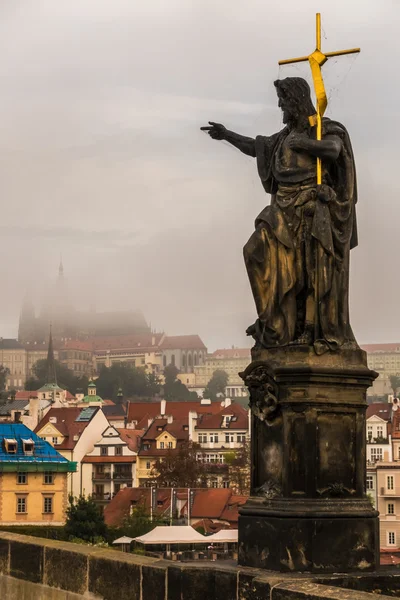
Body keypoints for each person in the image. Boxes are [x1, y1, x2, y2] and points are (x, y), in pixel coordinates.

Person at [201, 77, 358, 354]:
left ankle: (307, 328)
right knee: (254, 250)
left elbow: (333, 150)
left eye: (283, 100)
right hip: (283, 210)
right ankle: (273, 322)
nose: (279, 106)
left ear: (295, 101)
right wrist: (227, 135)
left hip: (311, 208)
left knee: (309, 271)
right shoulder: (283, 138)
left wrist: (305, 144)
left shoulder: (323, 129)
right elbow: (255, 147)